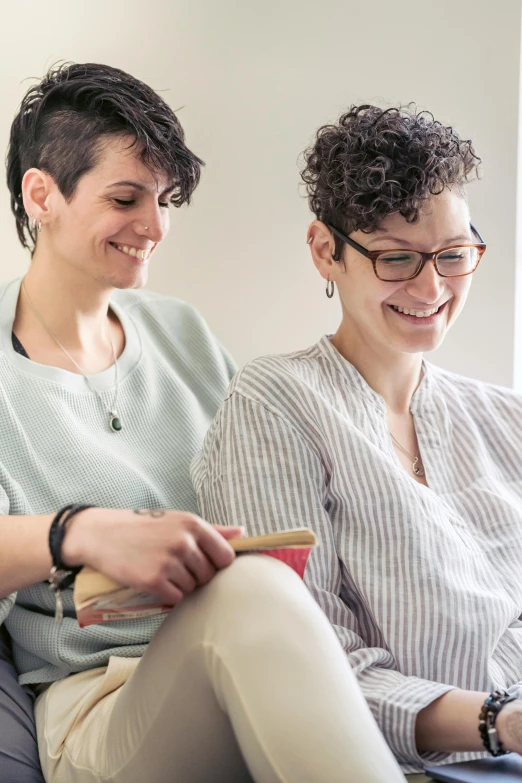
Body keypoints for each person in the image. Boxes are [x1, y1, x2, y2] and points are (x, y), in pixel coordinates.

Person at [0, 66, 406, 783]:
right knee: (252, 594)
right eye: (126, 199)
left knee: (267, 588)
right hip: (103, 700)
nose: (155, 228)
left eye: (164, 201)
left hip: (251, 655)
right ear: (42, 196)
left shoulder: (181, 332)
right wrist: (80, 530)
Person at [192, 104, 522, 780]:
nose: (432, 287)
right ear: (326, 250)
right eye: (397, 258)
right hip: (426, 765)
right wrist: (498, 721)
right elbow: (302, 666)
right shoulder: (275, 403)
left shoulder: (504, 419)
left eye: (455, 255)